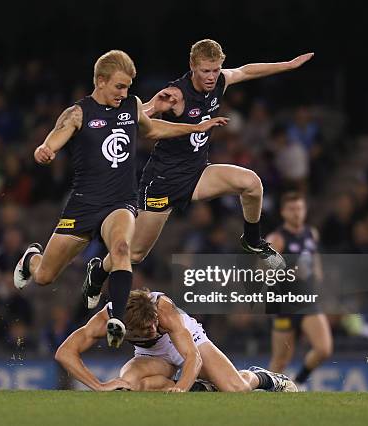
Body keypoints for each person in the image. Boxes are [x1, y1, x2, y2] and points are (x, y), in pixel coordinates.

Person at [13, 50, 228, 348]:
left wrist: (195, 127)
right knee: (45, 276)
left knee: (123, 247)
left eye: (128, 87)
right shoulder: (78, 113)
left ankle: (116, 318)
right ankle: (31, 258)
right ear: (100, 81)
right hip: (84, 204)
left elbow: (153, 129)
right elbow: (54, 138)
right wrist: (45, 150)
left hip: (120, 202)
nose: (124, 93)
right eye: (119, 86)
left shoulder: (131, 105)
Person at [83, 39, 314, 309]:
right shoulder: (177, 95)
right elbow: (138, 114)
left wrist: (287, 65)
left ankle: (252, 241)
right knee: (134, 253)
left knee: (251, 184)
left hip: (196, 174)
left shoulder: (219, 82)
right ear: (192, 66)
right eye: (205, 70)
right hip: (163, 183)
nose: (211, 76)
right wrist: (147, 108)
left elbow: (247, 71)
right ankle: (98, 272)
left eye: (216, 70)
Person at [55, 289, 297, 392]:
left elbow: (193, 356)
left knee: (237, 389)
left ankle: (267, 378)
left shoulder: (164, 310)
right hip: (153, 357)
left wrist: (181, 388)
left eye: (154, 323)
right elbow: (64, 352)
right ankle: (202, 389)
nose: (153, 328)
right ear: (127, 328)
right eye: (146, 329)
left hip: (188, 341)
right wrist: (97, 385)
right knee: (127, 382)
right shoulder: (106, 320)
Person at [265, 191, 332, 389]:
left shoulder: (311, 233)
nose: (297, 213)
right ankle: (268, 393)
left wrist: (317, 275)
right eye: (292, 209)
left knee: (324, 349)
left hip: (307, 300)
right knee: (280, 360)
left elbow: (314, 258)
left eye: (300, 208)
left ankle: (299, 382)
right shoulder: (277, 238)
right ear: (283, 212)